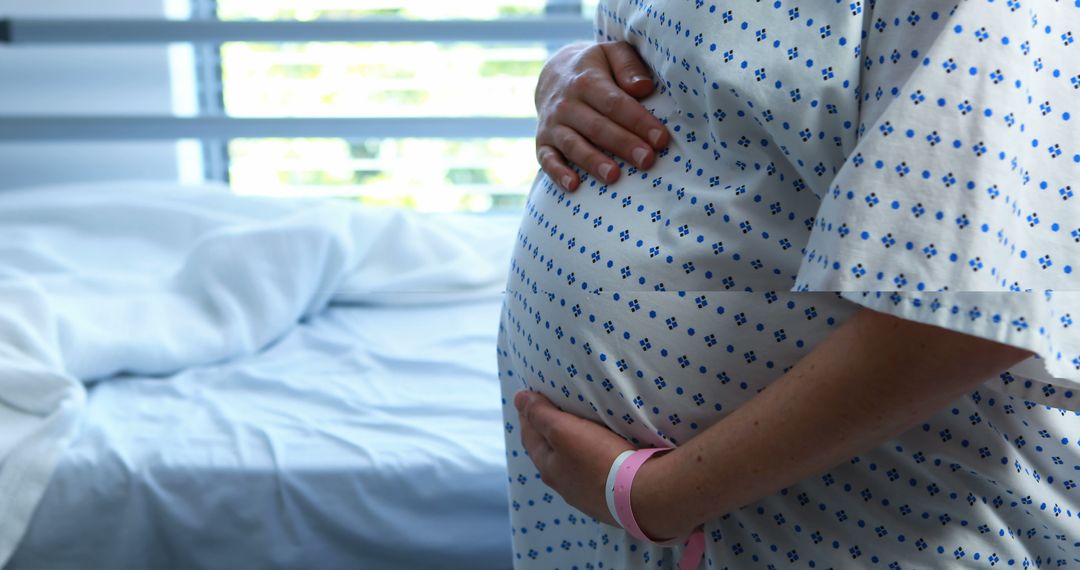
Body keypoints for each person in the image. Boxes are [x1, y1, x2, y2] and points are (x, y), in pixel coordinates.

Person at [497, 1, 1080, 568]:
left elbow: (984, 302)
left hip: (865, 521)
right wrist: (571, 68)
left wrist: (654, 497)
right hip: (649, 515)